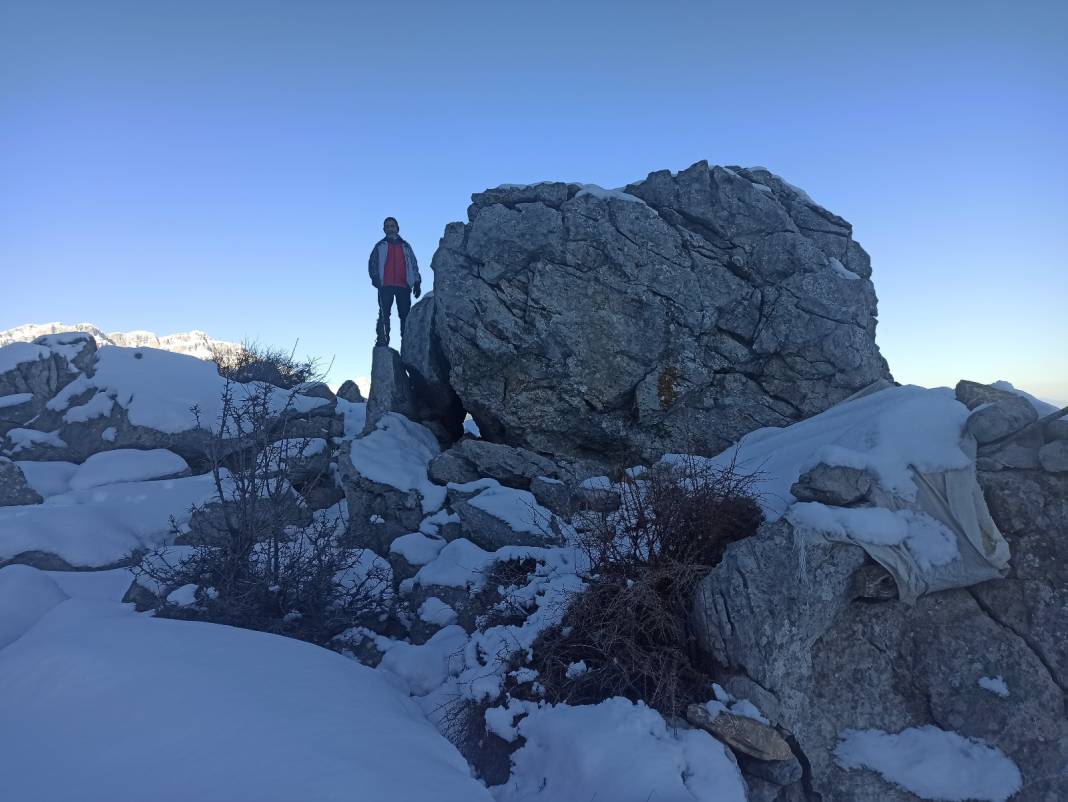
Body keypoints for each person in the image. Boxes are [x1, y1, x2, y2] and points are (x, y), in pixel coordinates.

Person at [368, 216, 422, 347]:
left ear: (397, 228)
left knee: (405, 315)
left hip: (403, 285)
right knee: (384, 313)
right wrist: (375, 277)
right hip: (385, 285)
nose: (390, 228)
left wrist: (417, 282)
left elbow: (413, 264)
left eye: (392, 226)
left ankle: (407, 342)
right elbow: (372, 263)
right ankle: (382, 340)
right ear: (384, 229)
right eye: (387, 226)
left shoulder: (406, 246)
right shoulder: (380, 246)